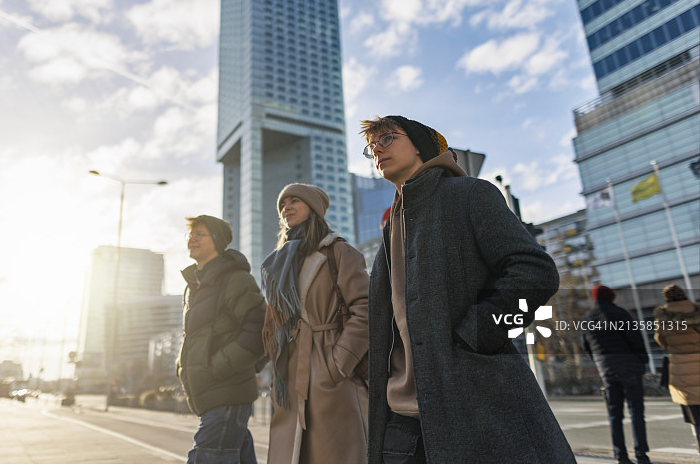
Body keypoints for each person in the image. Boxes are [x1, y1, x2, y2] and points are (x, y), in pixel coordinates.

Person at [360, 115, 574, 464]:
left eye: (387, 138)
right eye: (371, 147)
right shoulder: (391, 228)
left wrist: (479, 332)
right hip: (400, 422)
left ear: (419, 145)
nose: (377, 149)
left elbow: (535, 272)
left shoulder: (468, 194)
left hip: (473, 403)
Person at [261, 183, 369, 464]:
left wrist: (338, 363)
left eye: (294, 201)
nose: (286, 208)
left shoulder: (339, 252)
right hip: (291, 372)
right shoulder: (278, 265)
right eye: (282, 204)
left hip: (329, 370)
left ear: (313, 209)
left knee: (335, 454)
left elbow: (366, 308)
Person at [177, 215, 266, 464]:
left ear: (216, 239)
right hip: (214, 395)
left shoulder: (235, 279)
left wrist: (217, 368)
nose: (191, 239)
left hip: (226, 393)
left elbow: (259, 329)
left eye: (199, 234)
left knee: (205, 458)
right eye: (190, 235)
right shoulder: (194, 285)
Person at [582, 284, 650, 464]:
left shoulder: (587, 319)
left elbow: (588, 348)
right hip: (630, 369)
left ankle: (621, 456)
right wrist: (644, 360)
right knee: (636, 412)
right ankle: (641, 454)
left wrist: (601, 365)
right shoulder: (620, 313)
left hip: (608, 372)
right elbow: (635, 340)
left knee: (614, 414)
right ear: (610, 296)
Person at [654, 284, 700, 453]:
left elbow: (661, 341)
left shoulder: (663, 318)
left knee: (696, 419)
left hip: (681, 372)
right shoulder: (696, 310)